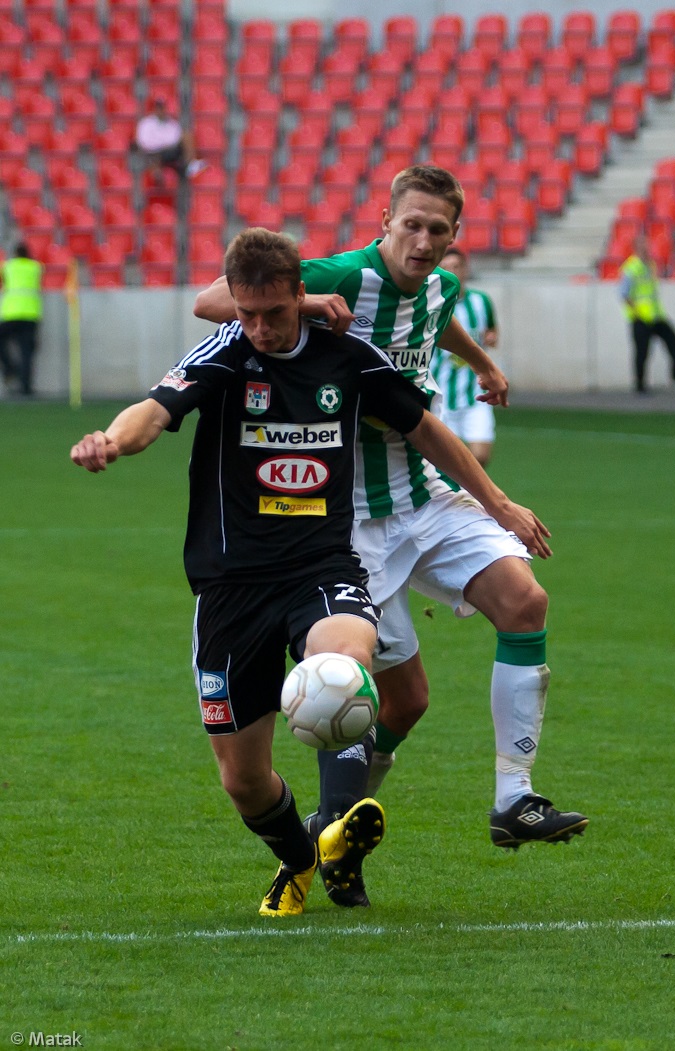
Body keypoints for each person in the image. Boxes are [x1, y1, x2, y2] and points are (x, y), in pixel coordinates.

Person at [70, 228, 552, 917]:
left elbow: (424, 428)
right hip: (231, 586)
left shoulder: (348, 357)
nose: (260, 329)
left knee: (343, 670)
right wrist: (112, 442)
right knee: (243, 781)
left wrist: (497, 503)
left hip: (322, 566)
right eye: (247, 313)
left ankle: (337, 829)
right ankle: (299, 853)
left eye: (274, 312)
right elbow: (154, 411)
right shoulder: (226, 353)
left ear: (302, 293)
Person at [193, 166, 588, 882]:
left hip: (424, 496)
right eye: (412, 225)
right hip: (350, 522)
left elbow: (435, 320)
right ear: (386, 221)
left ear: (454, 234)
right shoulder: (344, 275)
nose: (424, 241)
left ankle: (514, 798)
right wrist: (307, 301)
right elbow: (212, 300)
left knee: (525, 600)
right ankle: (333, 834)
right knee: (396, 697)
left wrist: (484, 364)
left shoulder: (442, 286)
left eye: (438, 230)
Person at [433, 245, 499, 468]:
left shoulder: (481, 302)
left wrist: (491, 338)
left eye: (457, 267)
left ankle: (463, 487)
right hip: (440, 396)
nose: (452, 272)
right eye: (446, 267)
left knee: (481, 456)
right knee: (441, 461)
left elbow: (492, 331)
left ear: (465, 269)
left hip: (475, 395)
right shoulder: (432, 304)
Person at [620, 233, 675, 395]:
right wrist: (637, 312)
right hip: (641, 318)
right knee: (642, 352)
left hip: (656, 316)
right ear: (636, 247)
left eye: (647, 244)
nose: (647, 247)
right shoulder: (631, 267)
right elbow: (624, 293)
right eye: (643, 244)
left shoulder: (650, 265)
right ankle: (639, 385)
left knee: (673, 339)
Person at [0, 241, 42, 397]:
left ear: (15, 254)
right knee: (26, 352)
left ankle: (10, 368)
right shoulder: (35, 267)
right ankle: (26, 387)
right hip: (31, 314)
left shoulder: (8, 266)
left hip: (11, 313)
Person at [135, 98, 207, 181]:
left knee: (187, 136)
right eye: (158, 108)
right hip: (152, 152)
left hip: (169, 151)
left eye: (162, 108)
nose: (160, 111)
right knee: (153, 160)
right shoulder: (146, 123)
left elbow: (176, 138)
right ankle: (159, 178)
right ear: (155, 109)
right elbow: (144, 142)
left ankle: (190, 165)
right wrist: (163, 143)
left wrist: (162, 142)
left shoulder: (172, 123)